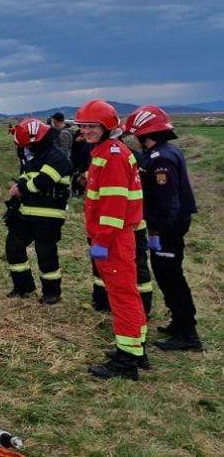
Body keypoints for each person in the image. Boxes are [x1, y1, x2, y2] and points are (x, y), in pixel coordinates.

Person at [74, 99, 147, 380]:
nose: (87, 131)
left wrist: (102, 240)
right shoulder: (108, 150)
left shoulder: (112, 155)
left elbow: (114, 206)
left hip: (114, 237)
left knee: (122, 296)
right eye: (84, 126)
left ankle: (127, 361)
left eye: (93, 126)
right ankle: (136, 350)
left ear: (107, 127)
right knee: (127, 294)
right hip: (116, 236)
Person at [124, 105, 201, 352]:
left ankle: (188, 334)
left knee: (171, 277)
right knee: (167, 275)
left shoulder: (162, 159)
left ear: (145, 133)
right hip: (170, 225)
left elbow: (168, 200)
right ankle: (179, 323)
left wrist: (156, 230)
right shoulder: (164, 152)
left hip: (169, 227)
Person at [4, 119, 72, 304]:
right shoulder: (34, 159)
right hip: (26, 214)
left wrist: (21, 188)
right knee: (14, 247)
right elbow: (26, 178)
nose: (26, 149)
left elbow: (43, 181)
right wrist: (18, 187)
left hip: (49, 216)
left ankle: (52, 293)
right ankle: (23, 287)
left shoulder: (56, 157)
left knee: (46, 254)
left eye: (28, 145)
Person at [91, 128, 154, 319]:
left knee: (135, 268)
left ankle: (142, 308)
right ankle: (105, 301)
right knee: (108, 269)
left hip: (126, 226)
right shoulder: (118, 154)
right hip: (116, 225)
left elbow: (118, 197)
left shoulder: (117, 157)